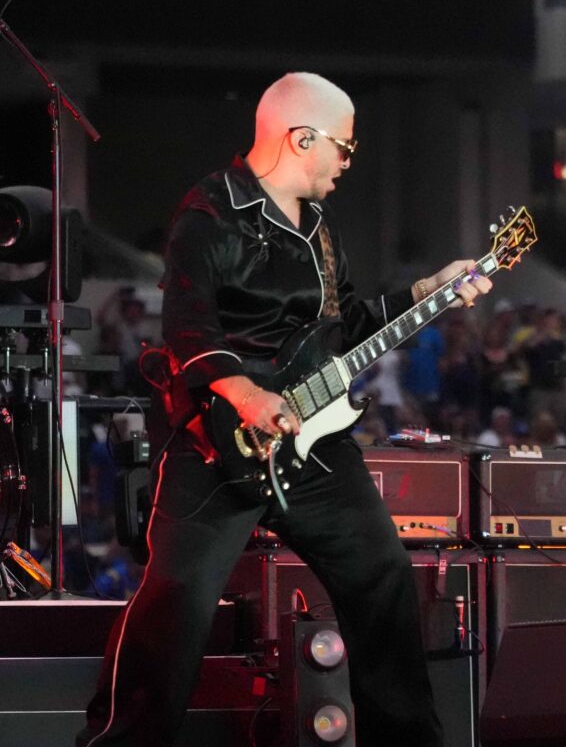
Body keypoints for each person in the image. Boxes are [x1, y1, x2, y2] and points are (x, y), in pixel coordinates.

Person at [78, 73, 493, 746]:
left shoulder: (322, 228)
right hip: (217, 444)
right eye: (345, 149)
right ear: (302, 139)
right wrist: (249, 396)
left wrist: (428, 291)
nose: (347, 164)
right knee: (176, 599)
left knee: (383, 576)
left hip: (315, 448)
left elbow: (345, 322)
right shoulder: (210, 213)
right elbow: (190, 334)